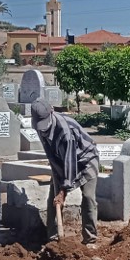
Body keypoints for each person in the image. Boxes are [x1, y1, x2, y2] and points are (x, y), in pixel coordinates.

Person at [32, 99, 100, 245]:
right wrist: (58, 184)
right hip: (61, 163)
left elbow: (70, 161)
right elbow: (50, 154)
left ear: (51, 112)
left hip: (85, 160)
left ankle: (90, 239)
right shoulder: (38, 126)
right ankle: (53, 238)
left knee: (88, 197)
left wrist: (63, 191)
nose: (42, 129)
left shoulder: (65, 131)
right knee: (54, 199)